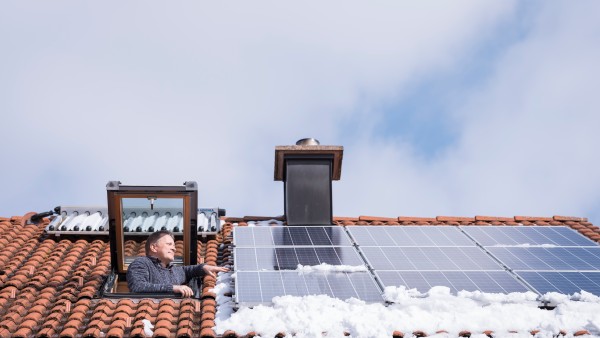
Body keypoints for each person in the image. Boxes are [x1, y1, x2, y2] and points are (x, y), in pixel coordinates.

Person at [127, 230, 229, 297]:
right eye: (169, 244)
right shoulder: (141, 263)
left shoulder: (174, 270)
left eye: (174, 245)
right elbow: (138, 286)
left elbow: (188, 270)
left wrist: (204, 267)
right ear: (153, 247)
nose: (174, 248)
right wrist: (174, 288)